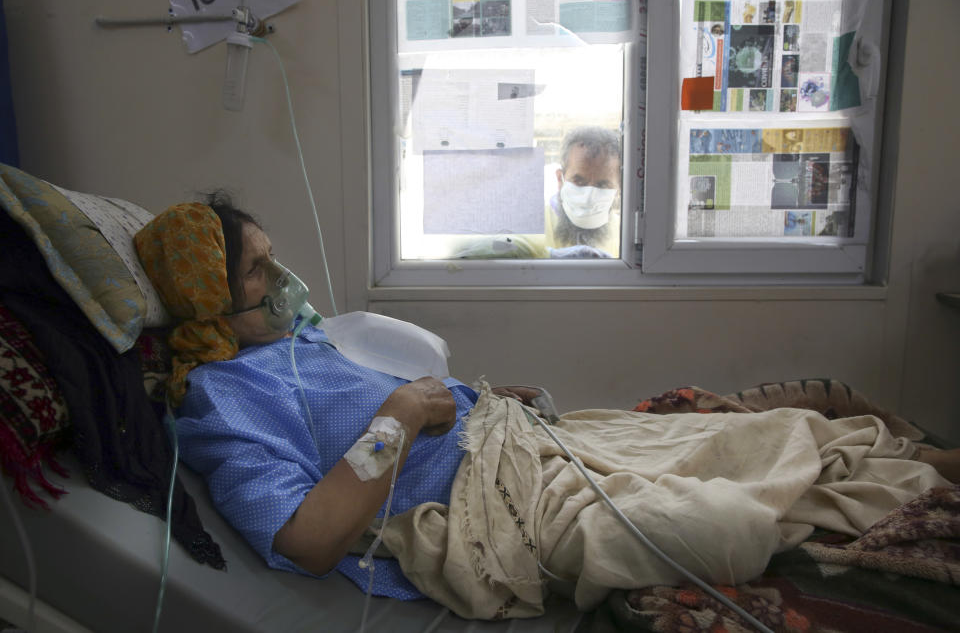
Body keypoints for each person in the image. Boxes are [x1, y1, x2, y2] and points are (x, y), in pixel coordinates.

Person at [134, 197, 960, 618]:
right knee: (724, 528)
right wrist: (397, 419)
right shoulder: (215, 399)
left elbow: (401, 404)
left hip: (518, 440)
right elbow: (307, 539)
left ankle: (919, 467)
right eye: (254, 273)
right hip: (485, 510)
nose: (280, 285)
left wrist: (480, 397)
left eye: (275, 263)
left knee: (776, 429)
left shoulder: (299, 343)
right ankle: (850, 503)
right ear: (204, 294)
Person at [546, 126, 622, 259]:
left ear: (619, 186)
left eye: (602, 184)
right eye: (579, 181)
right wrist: (549, 255)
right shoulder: (534, 225)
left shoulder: (624, 234)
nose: (588, 197)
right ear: (560, 179)